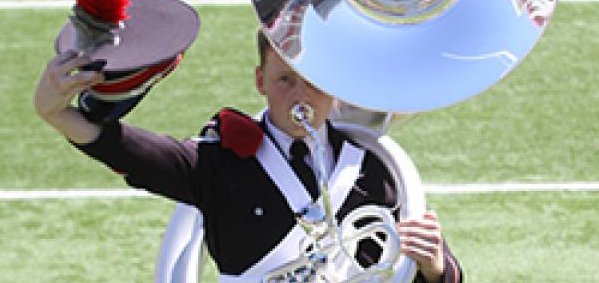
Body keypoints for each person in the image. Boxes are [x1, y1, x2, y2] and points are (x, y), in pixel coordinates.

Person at [34, 30, 463, 283]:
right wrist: (54, 112)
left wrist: (435, 268)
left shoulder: (373, 168)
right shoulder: (221, 163)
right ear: (260, 81)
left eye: (314, 81)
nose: (301, 96)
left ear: (335, 82)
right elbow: (129, 150)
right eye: (284, 80)